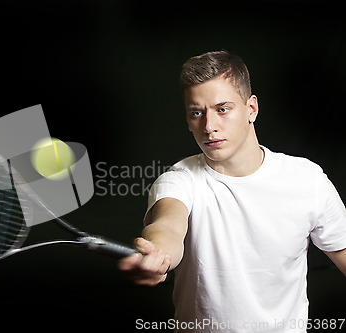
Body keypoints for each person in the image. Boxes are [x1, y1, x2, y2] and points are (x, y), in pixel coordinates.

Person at [118, 50, 346, 332]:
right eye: (197, 113)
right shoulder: (178, 180)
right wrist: (157, 254)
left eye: (222, 109)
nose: (209, 127)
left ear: (251, 109)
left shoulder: (306, 179)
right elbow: (167, 227)